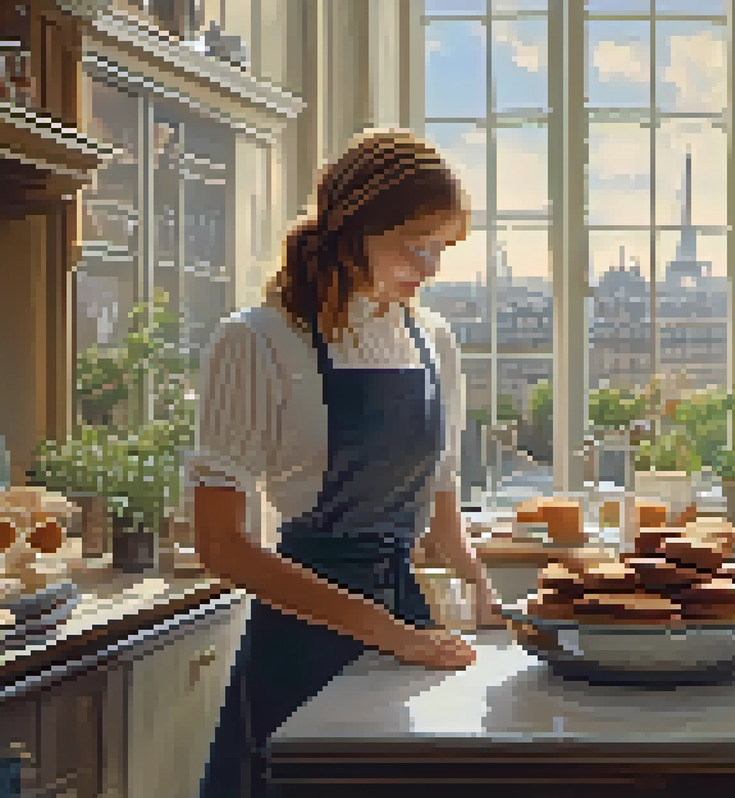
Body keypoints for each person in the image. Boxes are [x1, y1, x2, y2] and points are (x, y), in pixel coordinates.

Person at [190, 130, 500, 797]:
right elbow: (219, 545)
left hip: (410, 627)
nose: (430, 266)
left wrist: (480, 586)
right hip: (304, 641)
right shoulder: (258, 340)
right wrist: (387, 631)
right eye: (415, 243)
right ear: (355, 226)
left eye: (442, 247)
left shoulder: (432, 340)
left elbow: (440, 493)